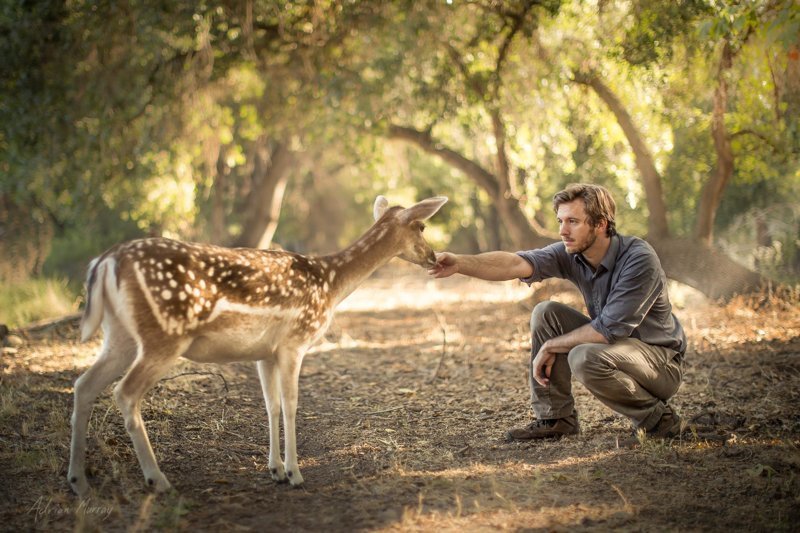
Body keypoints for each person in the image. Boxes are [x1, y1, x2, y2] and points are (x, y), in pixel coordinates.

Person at [428, 183, 687, 442]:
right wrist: (460, 263)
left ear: (601, 224)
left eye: (573, 221)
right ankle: (556, 418)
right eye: (561, 220)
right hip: (617, 350)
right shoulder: (573, 253)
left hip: (660, 364)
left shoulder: (639, 258)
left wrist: (552, 345)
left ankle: (659, 422)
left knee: (583, 356)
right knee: (546, 313)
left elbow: (607, 330)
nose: (563, 231)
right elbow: (516, 263)